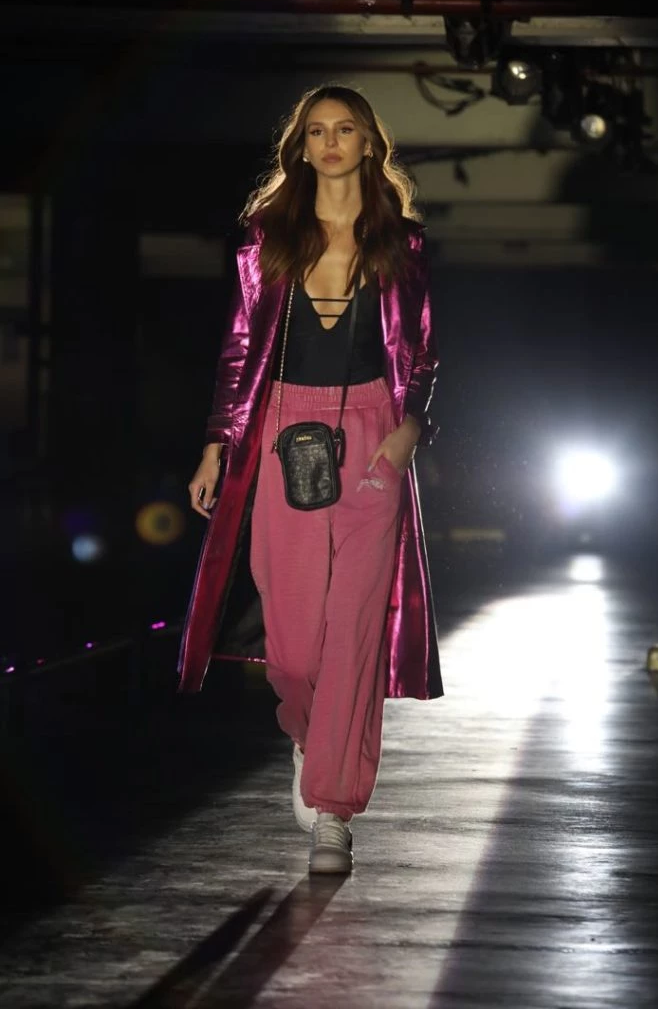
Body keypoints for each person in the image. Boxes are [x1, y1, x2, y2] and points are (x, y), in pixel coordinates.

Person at [178, 84, 442, 874]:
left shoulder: (401, 242)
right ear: (300, 147)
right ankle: (306, 731)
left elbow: (422, 353)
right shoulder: (269, 238)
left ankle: (333, 808)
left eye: (345, 129)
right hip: (283, 429)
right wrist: (218, 443)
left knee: (354, 630)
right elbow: (238, 348)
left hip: (371, 436)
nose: (330, 142)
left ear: (368, 145)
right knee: (292, 647)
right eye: (316, 131)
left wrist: (407, 430)